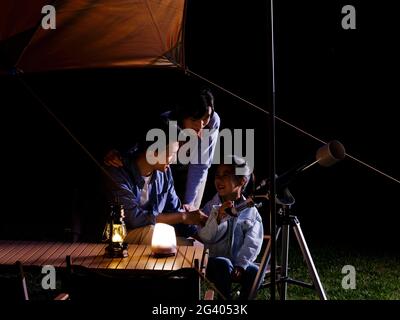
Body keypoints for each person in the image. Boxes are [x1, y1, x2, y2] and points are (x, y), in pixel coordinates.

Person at [105, 86, 220, 210]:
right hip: (164, 164)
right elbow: (143, 146)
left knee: (188, 211)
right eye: (194, 120)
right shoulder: (166, 120)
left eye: (205, 118)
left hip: (190, 168)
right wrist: (120, 155)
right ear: (183, 115)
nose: (201, 125)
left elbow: (200, 165)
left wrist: (189, 205)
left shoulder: (212, 122)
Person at [103, 120, 208, 244]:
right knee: (153, 232)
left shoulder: (164, 173)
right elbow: (134, 219)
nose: (173, 160)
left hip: (148, 239)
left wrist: (203, 231)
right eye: (172, 154)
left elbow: (174, 210)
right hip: (118, 238)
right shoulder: (118, 172)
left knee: (194, 245)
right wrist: (183, 217)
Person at [198, 156, 263, 300]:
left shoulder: (250, 211)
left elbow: (253, 242)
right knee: (223, 263)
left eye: (226, 175)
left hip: (237, 263)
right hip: (213, 262)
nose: (219, 180)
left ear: (242, 181)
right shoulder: (210, 207)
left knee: (256, 272)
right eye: (217, 175)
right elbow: (205, 237)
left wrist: (241, 265)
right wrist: (218, 217)